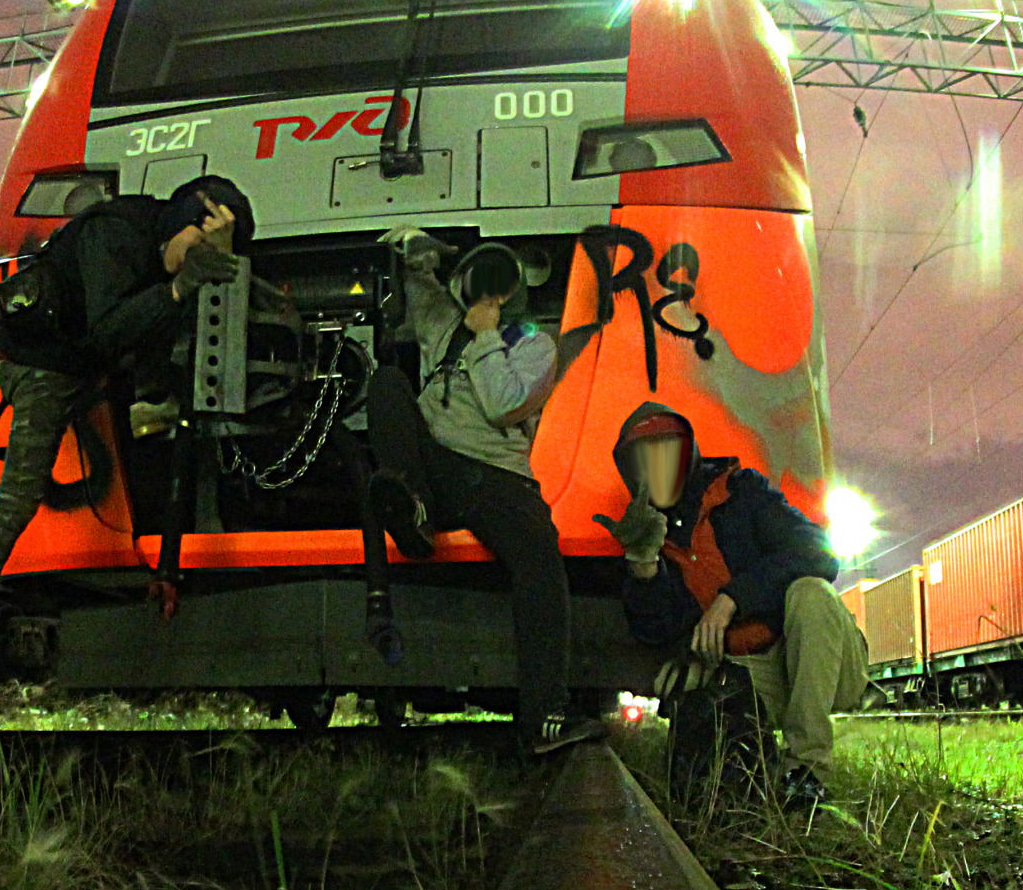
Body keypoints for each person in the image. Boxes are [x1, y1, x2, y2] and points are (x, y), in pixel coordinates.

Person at [0, 176, 253, 734]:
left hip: (86, 367)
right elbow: (106, 329)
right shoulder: (115, 233)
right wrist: (179, 289)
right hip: (42, 367)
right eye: (196, 245)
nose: (195, 261)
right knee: (14, 506)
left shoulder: (158, 249)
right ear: (182, 222)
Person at [364, 225, 602, 755]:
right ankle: (414, 510)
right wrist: (418, 249)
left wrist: (487, 335)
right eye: (479, 281)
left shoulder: (534, 345)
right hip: (435, 466)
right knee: (387, 384)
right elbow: (414, 275)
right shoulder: (442, 325)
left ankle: (545, 717)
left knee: (540, 563)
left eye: (498, 284)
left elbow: (502, 404)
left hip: (495, 475)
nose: (487, 293)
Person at [595, 403, 868, 808]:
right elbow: (655, 630)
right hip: (750, 676)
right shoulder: (645, 528)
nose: (659, 470)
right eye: (645, 461)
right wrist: (643, 566)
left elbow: (817, 552)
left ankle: (806, 771)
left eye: (668, 455)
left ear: (689, 456)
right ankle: (754, 769)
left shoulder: (742, 491)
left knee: (811, 593)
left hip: (819, 661)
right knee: (701, 708)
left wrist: (732, 599)